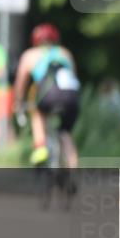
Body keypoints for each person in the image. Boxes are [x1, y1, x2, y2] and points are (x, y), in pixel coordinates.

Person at [13, 23, 81, 167]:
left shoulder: (30, 55)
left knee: (37, 113)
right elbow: (73, 77)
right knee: (65, 132)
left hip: (48, 96)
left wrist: (18, 102)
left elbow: (20, 84)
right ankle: (73, 170)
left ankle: (41, 146)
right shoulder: (65, 52)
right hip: (71, 97)